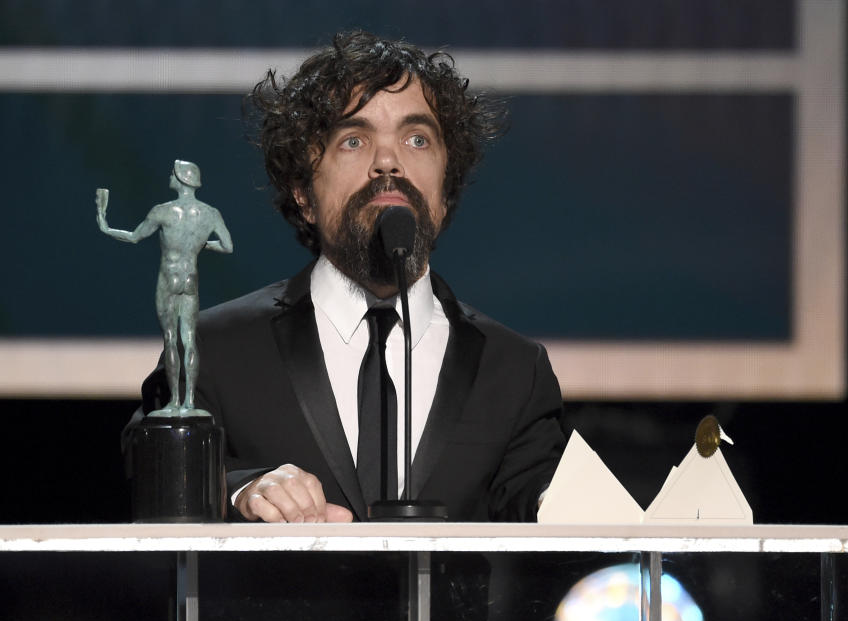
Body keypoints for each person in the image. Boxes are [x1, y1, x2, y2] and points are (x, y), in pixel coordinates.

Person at [138, 31, 565, 523]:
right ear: (302, 193)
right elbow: (148, 469)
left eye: (417, 139)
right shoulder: (216, 347)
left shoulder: (514, 370)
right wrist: (241, 489)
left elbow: (548, 515)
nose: (388, 161)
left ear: (445, 195)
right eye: (355, 140)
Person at [99, 160, 233, 416]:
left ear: (182, 178)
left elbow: (135, 236)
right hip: (190, 278)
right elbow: (227, 247)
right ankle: (190, 401)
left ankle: (174, 401)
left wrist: (105, 226)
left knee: (171, 340)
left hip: (169, 277)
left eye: (172, 173)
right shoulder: (210, 213)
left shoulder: (163, 211)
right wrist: (201, 245)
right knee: (190, 340)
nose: (169, 176)